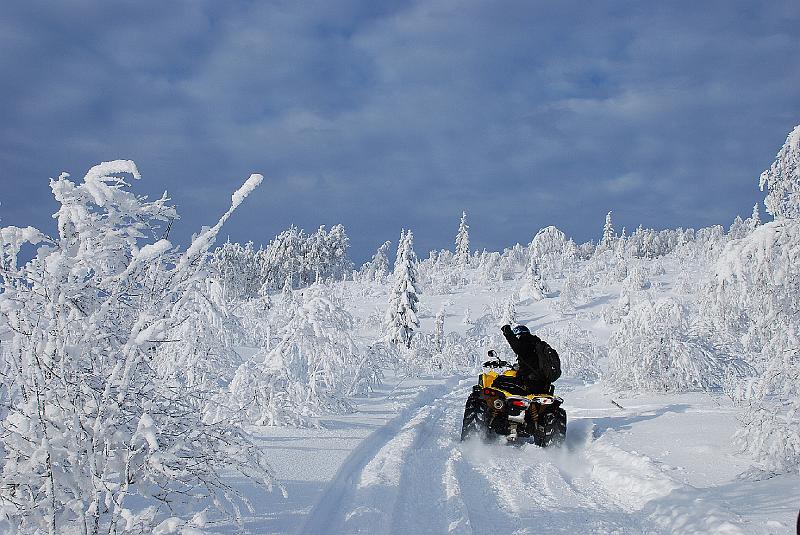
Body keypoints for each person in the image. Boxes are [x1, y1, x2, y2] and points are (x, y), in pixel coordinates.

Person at [500, 323, 555, 394]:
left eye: (516, 337)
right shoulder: (537, 344)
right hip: (543, 383)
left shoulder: (526, 343)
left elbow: (517, 347)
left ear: (519, 335)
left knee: (499, 382)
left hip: (530, 381)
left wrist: (508, 333)